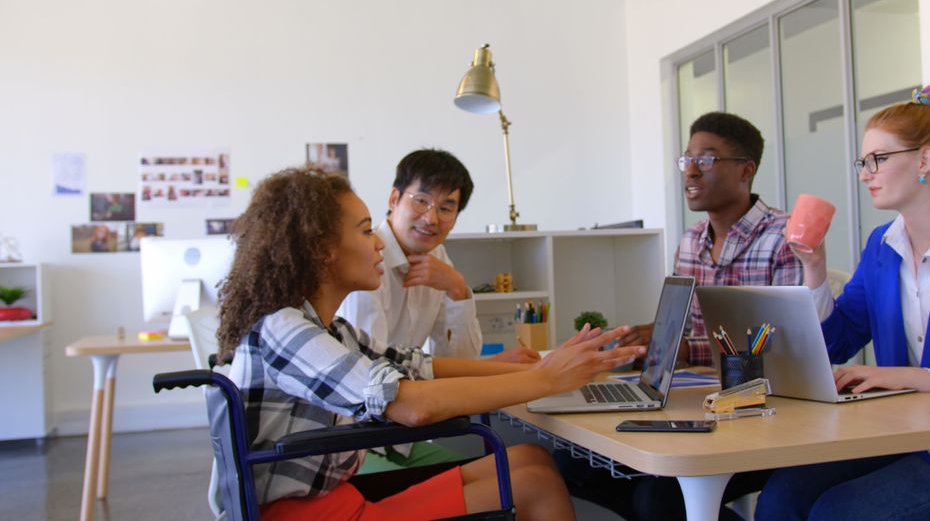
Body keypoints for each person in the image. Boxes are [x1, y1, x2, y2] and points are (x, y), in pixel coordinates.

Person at [215, 166, 645, 520]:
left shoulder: (327, 328)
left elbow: (422, 366)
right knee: (534, 483)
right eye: (367, 232)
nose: (379, 242)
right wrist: (548, 379)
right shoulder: (286, 329)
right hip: (308, 513)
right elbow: (413, 404)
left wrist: (540, 369)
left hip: (333, 493)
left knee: (530, 457)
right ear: (322, 249)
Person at [755, 82, 930, 520]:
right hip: (903, 437)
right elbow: (835, 344)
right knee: (782, 497)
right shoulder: (882, 246)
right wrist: (814, 269)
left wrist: (904, 377)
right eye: (863, 161)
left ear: (924, 160)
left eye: (878, 159)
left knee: (838, 512)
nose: (864, 173)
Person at [559, 112, 802, 521]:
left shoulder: (784, 238)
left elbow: (786, 348)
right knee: (571, 466)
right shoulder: (691, 241)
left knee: (658, 500)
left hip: (767, 414)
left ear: (746, 170)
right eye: (686, 159)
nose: (689, 170)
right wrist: (654, 341)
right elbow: (690, 332)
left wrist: (687, 349)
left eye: (706, 160)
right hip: (702, 406)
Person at [339, 149, 538, 363]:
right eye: (421, 201)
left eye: (445, 208)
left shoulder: (437, 255)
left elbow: (462, 358)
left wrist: (458, 289)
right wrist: (494, 366)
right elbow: (370, 369)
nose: (431, 219)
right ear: (394, 198)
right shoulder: (366, 259)